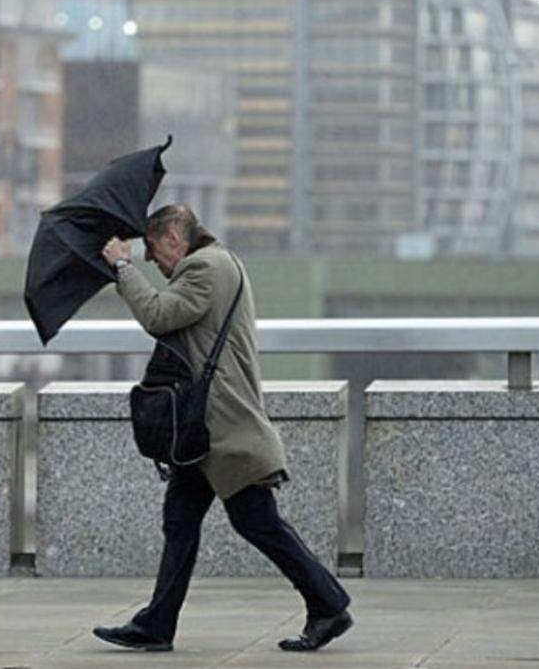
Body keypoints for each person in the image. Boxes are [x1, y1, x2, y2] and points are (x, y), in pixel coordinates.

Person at [93, 204, 352, 653]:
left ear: (174, 237)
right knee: (180, 521)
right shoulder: (215, 264)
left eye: (153, 251)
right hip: (202, 432)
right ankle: (156, 624)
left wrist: (122, 266)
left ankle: (328, 604)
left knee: (257, 521)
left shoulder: (204, 269)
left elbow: (157, 315)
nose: (153, 261)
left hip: (224, 429)